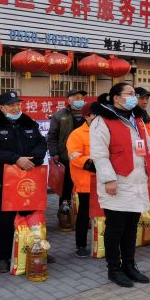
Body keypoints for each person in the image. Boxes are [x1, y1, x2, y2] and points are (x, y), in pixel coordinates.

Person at [90, 83, 150, 288]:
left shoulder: (137, 119)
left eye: (134, 94)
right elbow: (99, 154)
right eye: (129, 94)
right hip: (117, 182)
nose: (134, 98)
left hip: (137, 181)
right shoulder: (102, 121)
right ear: (116, 98)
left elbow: (148, 148)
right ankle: (114, 268)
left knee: (131, 228)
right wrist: (109, 179)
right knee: (115, 228)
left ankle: (130, 265)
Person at [0, 91, 48, 273]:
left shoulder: (29, 123)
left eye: (18, 104)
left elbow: (42, 144)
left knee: (32, 217)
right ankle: (3, 257)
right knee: (4, 220)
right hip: (6, 180)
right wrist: (15, 159)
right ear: (1, 107)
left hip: (30, 178)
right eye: (11, 105)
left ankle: (38, 248)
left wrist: (34, 160)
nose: (16, 107)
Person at [66, 102, 97, 258]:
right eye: (94, 115)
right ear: (87, 116)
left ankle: (101, 242)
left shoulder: (105, 131)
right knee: (84, 214)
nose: (98, 118)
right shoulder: (77, 134)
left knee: (103, 214)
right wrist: (93, 164)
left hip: (103, 180)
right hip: (85, 180)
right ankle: (81, 245)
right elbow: (74, 157)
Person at [47, 89, 87, 205]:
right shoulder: (59, 115)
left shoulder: (89, 115)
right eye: (76, 98)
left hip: (85, 157)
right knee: (66, 187)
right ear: (69, 100)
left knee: (84, 186)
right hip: (66, 157)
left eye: (81, 98)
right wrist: (54, 153)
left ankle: (83, 212)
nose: (80, 100)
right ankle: (65, 212)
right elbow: (52, 136)